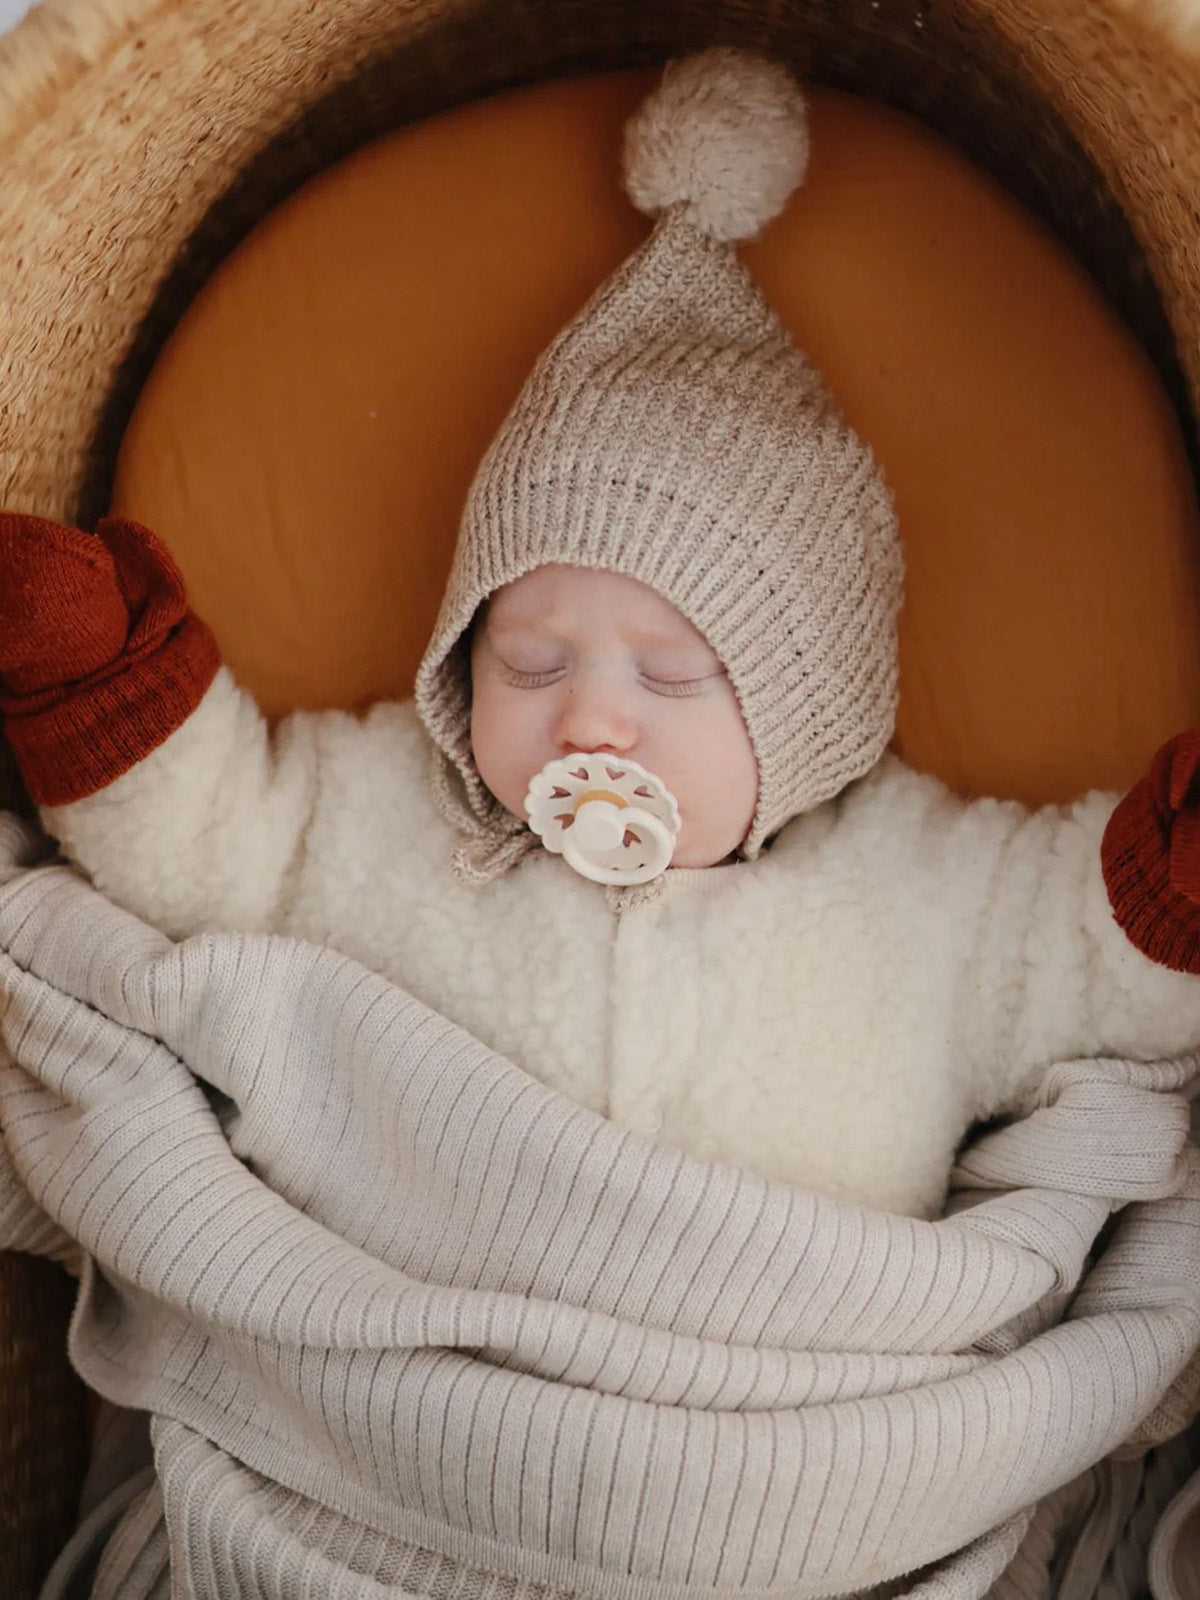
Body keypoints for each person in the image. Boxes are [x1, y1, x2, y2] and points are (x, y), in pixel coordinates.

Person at [1, 46, 1199, 1223]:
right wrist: (101, 681)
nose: (590, 720)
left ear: (809, 714)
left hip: (793, 1337)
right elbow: (211, 844)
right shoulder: (385, 820)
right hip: (411, 1321)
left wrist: (1174, 878)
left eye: (671, 676)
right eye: (530, 661)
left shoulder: (917, 891)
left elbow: (1080, 966)